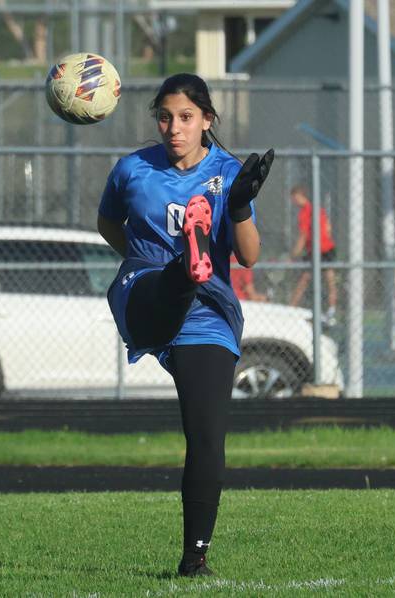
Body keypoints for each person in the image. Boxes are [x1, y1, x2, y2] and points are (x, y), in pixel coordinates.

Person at [97, 72, 274, 578]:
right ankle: (181, 265)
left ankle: (194, 558)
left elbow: (249, 257)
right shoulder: (132, 169)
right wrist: (136, 257)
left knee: (206, 436)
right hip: (144, 289)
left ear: (207, 121)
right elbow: (108, 223)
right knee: (167, 283)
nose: (174, 127)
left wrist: (237, 206)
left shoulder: (228, 172)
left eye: (186, 117)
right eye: (165, 117)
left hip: (209, 311)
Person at [288, 185, 338, 325]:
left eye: (293, 197)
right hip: (326, 248)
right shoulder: (318, 209)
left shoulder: (305, 212)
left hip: (320, 250)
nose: (293, 201)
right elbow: (328, 228)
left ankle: (292, 308)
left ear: (299, 196)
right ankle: (331, 310)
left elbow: (303, 236)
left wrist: (293, 255)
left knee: (305, 281)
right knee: (329, 281)